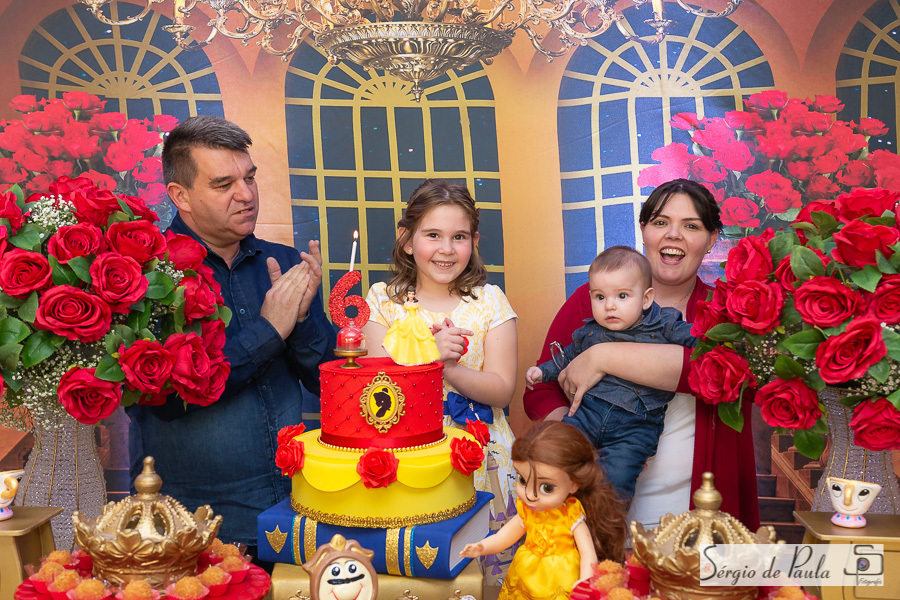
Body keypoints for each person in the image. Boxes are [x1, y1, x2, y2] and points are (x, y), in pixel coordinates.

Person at [126, 116, 336, 548]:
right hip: (194, 522)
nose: (246, 195)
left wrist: (301, 323)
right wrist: (269, 330)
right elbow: (165, 400)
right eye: (224, 184)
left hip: (294, 506)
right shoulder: (148, 275)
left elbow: (326, 381)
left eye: (251, 178)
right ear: (180, 196)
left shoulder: (282, 262)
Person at [523, 179, 759, 531]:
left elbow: (728, 372)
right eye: (660, 222)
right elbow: (541, 389)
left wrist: (603, 356)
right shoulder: (593, 302)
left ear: (712, 240)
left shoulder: (721, 313)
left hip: (693, 514)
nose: (673, 235)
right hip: (586, 506)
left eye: (691, 226)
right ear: (644, 230)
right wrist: (572, 445)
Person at [363, 179, 519, 580]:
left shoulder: (489, 301)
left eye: (459, 237)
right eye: (433, 235)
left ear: (474, 241)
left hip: (482, 456)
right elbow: (376, 384)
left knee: (487, 573)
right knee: (419, 565)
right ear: (407, 239)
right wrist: (429, 356)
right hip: (407, 457)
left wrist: (449, 368)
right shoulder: (382, 301)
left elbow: (502, 389)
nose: (447, 249)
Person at [525, 246, 696, 502]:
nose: (610, 306)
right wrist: (542, 371)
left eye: (622, 296)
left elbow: (700, 342)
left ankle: (604, 532)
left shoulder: (664, 324)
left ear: (646, 299)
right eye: (600, 297)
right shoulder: (589, 332)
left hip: (636, 425)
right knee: (555, 457)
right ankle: (554, 525)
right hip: (587, 414)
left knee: (615, 481)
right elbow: (565, 358)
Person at [459, 421, 625, 600]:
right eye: (522, 480)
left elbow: (587, 554)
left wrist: (585, 582)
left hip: (561, 580)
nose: (530, 495)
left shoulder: (571, 516)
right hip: (526, 575)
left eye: (547, 488)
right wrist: (482, 547)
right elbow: (503, 538)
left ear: (573, 484)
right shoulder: (527, 512)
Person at [381, 284, 441, 365]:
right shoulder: (406, 304)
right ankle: (408, 358)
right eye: (409, 294)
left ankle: (421, 358)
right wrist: (400, 319)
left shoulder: (416, 304)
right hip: (409, 320)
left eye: (412, 294)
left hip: (416, 320)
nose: (411, 295)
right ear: (407, 294)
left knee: (420, 338)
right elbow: (404, 314)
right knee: (407, 339)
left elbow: (421, 313)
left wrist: (425, 320)